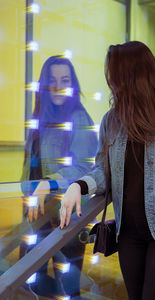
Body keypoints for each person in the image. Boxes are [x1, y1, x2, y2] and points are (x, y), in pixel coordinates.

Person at [59, 41, 155, 300]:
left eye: (114, 75)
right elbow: (104, 170)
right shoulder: (112, 121)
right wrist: (77, 186)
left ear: (132, 75)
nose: (111, 82)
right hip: (128, 235)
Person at [21, 55, 98, 298]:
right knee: (33, 282)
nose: (58, 85)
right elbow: (29, 167)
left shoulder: (79, 118)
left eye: (64, 80)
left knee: (69, 288)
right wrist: (28, 196)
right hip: (39, 216)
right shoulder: (41, 118)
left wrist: (49, 182)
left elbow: (84, 169)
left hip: (69, 218)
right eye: (52, 79)